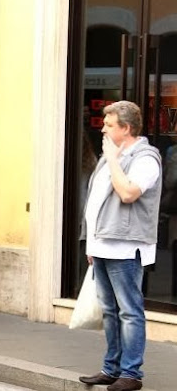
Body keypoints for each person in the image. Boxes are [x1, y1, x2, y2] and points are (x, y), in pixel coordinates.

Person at [79, 101, 162, 391]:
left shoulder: (146, 158)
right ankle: (111, 368)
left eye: (109, 124)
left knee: (129, 311)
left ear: (126, 128)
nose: (103, 129)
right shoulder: (109, 157)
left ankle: (131, 374)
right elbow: (96, 202)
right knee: (110, 312)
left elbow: (128, 193)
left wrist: (113, 159)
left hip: (125, 248)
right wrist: (91, 243)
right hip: (102, 245)